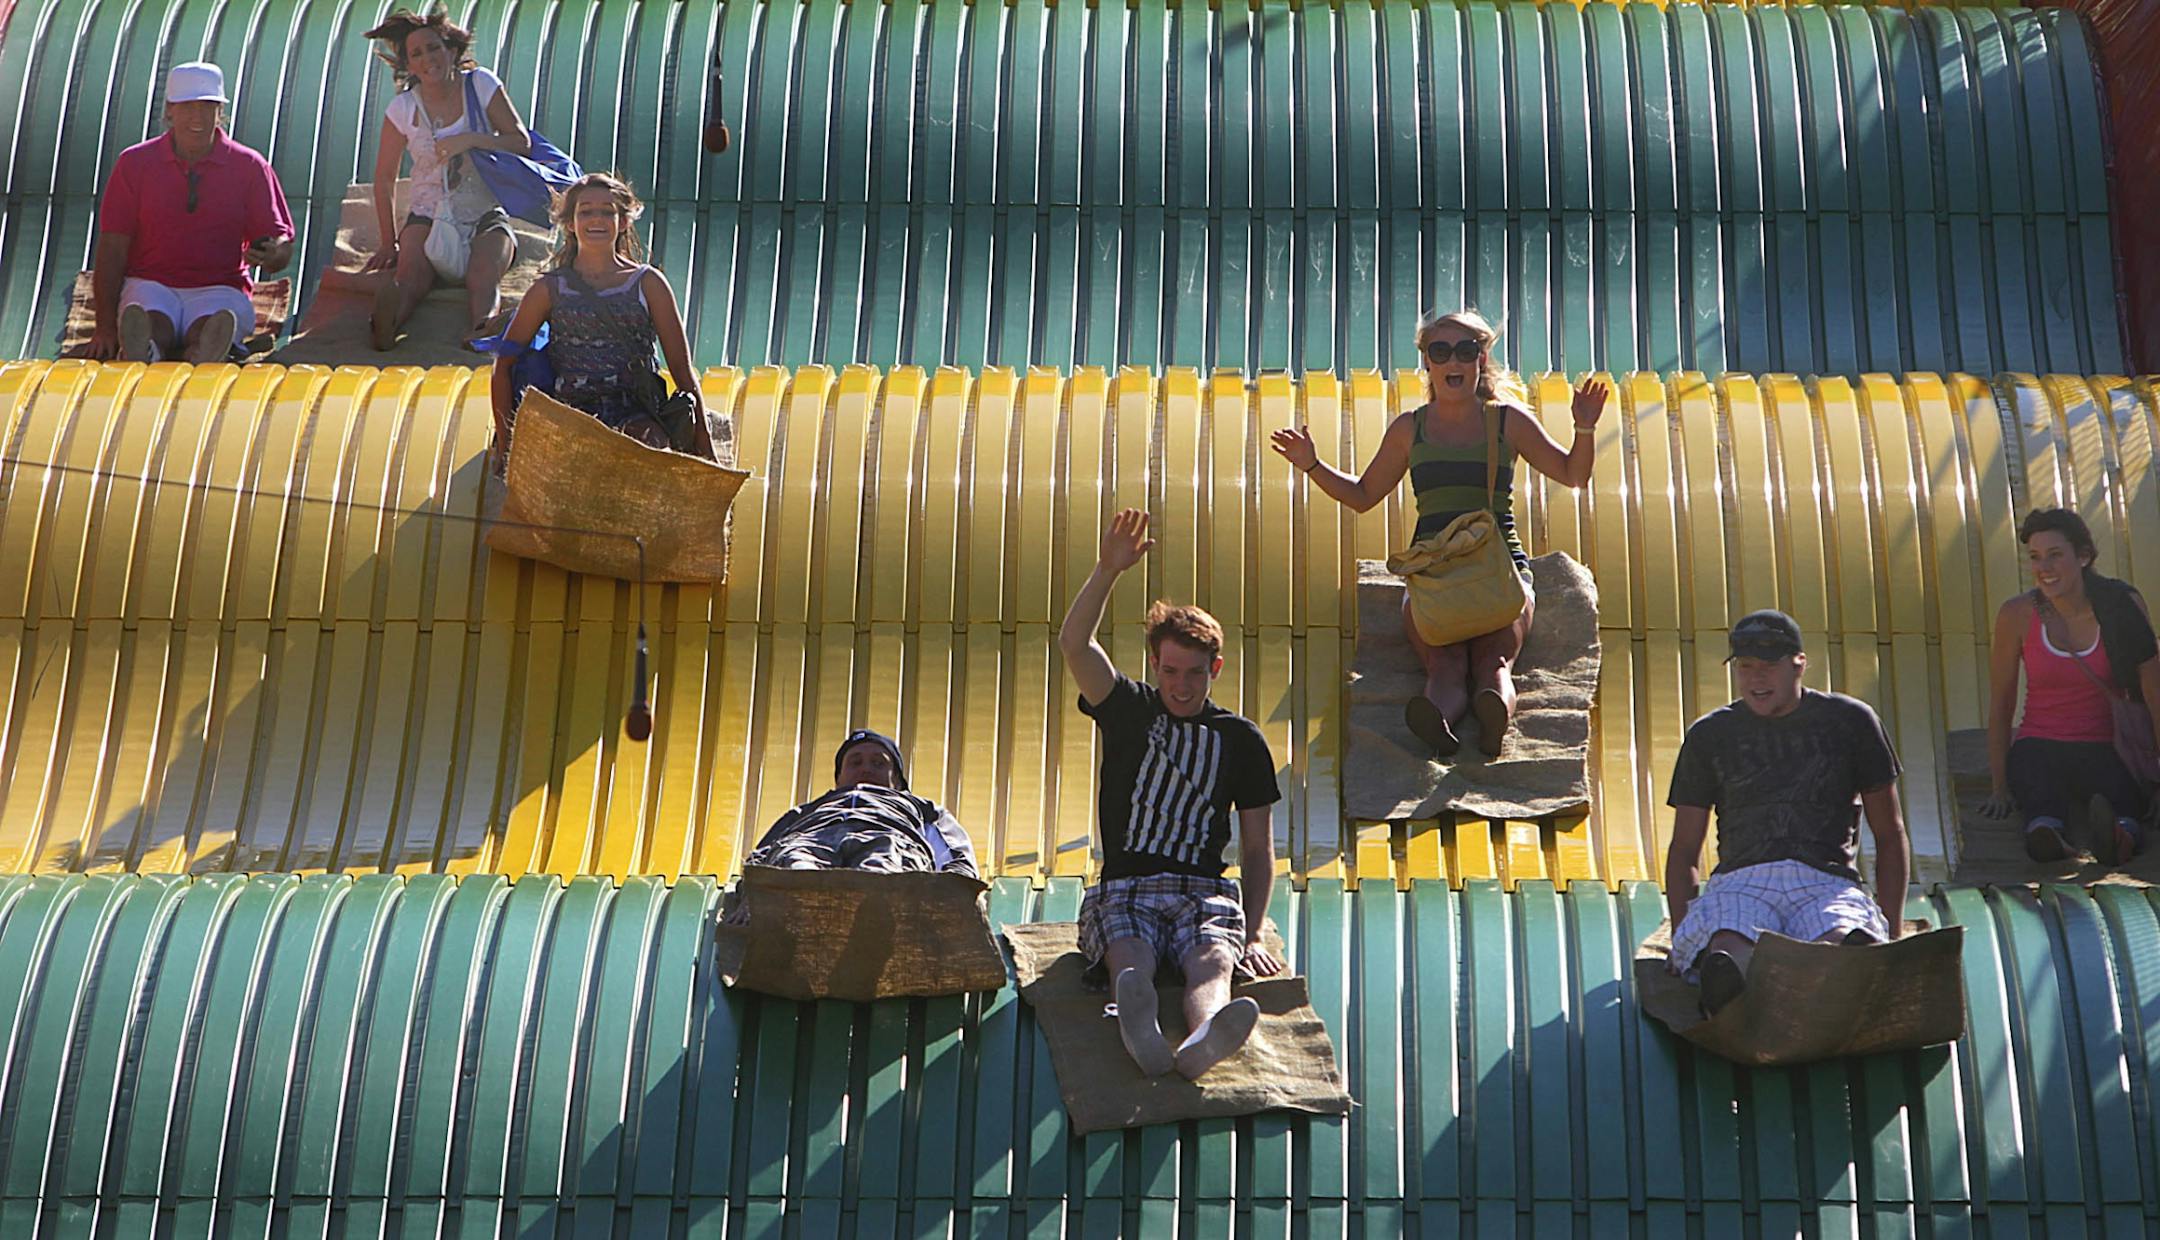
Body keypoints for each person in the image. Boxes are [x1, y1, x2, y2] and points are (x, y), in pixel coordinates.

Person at [1270, 309, 1608, 758]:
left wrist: (1585, 426)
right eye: (1441, 351)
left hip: (1482, 574)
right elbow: (1364, 494)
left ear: (1481, 359)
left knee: (1470, 664)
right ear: (1426, 362)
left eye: (1466, 351)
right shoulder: (1418, 428)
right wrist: (1312, 464)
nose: (1454, 361)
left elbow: (1572, 474)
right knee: (1475, 663)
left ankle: (1468, 717)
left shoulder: (1497, 422)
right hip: (1466, 576)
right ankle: (1462, 719)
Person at [1058, 508, 1285, 1080]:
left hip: (1202, 888)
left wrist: (1254, 931)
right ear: (1154, 665)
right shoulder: (1127, 707)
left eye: (1195, 673)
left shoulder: (1240, 739)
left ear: (1216, 668)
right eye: (1171, 671)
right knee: (1130, 951)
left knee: (1211, 959)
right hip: (1127, 884)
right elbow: (1074, 645)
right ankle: (1138, 1022)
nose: (1181, 686)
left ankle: (1206, 1030)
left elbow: (1257, 848)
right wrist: (1108, 570)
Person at [1662, 610, 1910, 1014]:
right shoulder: (1710, 734)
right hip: (1742, 880)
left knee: (1845, 939)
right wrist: (1681, 936)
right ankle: (1732, 996)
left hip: (1825, 880)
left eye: (1769, 666)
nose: (1756, 678)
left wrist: (1893, 929)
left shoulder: (1851, 721)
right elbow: (1685, 847)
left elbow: (1890, 832)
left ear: (1799, 663)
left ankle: (1832, 976)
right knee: (1727, 944)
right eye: (1746, 667)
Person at [487, 172, 712, 460]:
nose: (597, 219)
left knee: (653, 458)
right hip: (571, 413)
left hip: (636, 410)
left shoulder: (648, 284)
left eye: (607, 212)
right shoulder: (549, 289)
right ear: (570, 223)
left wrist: (703, 439)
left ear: (624, 222)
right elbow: (504, 364)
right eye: (586, 212)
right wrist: (506, 444)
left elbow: (681, 368)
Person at [1980, 508, 2160, 864]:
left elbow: (2154, 693)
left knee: (2122, 794)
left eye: (2055, 555)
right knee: (2038, 789)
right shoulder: (2016, 614)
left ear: (2083, 556)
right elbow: (2001, 703)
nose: (2044, 567)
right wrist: (1999, 787)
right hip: (2040, 741)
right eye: (2035, 557)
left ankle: (2119, 837)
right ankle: (2046, 836)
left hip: (2106, 743)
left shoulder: (2120, 606)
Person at [82, 62, 294, 364]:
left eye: (207, 107)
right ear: (170, 111)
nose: (198, 117)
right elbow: (112, 247)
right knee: (152, 323)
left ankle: (202, 351)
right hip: (151, 284)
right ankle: (147, 348)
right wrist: (103, 328)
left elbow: (281, 244)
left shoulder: (250, 166)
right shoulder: (134, 164)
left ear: (220, 112)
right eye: (187, 107)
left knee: (209, 326)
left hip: (221, 287)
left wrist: (273, 253)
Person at [362, 8, 534, 349]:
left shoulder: (480, 85)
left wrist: (470, 140)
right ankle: (387, 325)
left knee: (483, 274)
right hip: (429, 212)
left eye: (433, 48)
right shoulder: (403, 109)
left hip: (484, 210)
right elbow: (384, 179)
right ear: (409, 66)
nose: (427, 59)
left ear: (452, 51)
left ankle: (483, 326)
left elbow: (521, 143)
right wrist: (388, 242)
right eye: (417, 54)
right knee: (412, 274)